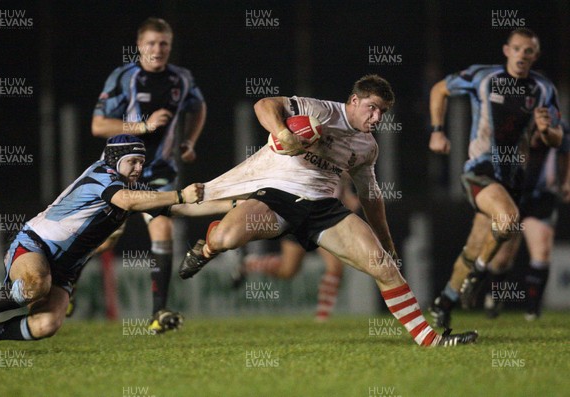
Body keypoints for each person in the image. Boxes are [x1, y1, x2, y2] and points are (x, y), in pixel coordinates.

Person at [177, 74, 478, 346]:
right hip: (277, 197)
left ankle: (430, 340)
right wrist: (283, 133)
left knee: (382, 265)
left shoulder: (367, 147)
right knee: (225, 240)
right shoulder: (320, 110)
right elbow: (264, 104)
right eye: (372, 108)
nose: (377, 117)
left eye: (383, 112)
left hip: (322, 207)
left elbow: (371, 195)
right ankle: (208, 247)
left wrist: (386, 242)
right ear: (354, 101)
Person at [0, 135, 203, 356]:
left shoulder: (134, 191)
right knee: (36, 284)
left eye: (142, 162)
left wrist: (231, 204)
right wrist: (181, 194)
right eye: (132, 161)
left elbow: (183, 207)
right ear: (115, 160)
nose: (139, 168)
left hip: (65, 270)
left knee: (46, 325)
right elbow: (132, 200)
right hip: (34, 245)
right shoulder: (102, 173)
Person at [427, 28, 563, 328]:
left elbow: (556, 138)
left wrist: (545, 129)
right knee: (508, 218)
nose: (522, 56)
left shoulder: (542, 88)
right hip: (480, 171)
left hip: (513, 180)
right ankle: (478, 274)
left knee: (480, 246)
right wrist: (437, 131)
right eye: (517, 49)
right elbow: (440, 89)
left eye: (529, 51)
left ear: (535, 56)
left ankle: (445, 302)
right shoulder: (483, 77)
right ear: (507, 50)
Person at [91, 17, 207, 332]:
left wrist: (189, 141)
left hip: (159, 172)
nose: (158, 49)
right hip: (119, 173)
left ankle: (158, 313)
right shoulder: (124, 77)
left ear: (170, 45)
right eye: (151, 43)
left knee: (163, 231)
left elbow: (198, 107)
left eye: (164, 43)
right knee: (101, 241)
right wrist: (141, 126)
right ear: (140, 45)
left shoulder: (181, 79)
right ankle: (65, 284)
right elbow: (98, 125)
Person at [236, 178, 360, 321]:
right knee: (288, 270)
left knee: (335, 267)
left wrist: (354, 200)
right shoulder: (312, 161)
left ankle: (322, 318)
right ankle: (250, 264)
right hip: (299, 217)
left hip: (323, 220)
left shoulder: (342, 167)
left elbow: (347, 198)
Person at [482, 121, 570, 320]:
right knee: (502, 257)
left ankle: (532, 309)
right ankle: (494, 295)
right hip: (512, 196)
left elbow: (565, 152)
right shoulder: (510, 126)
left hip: (541, 197)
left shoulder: (558, 129)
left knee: (542, 250)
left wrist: (566, 181)